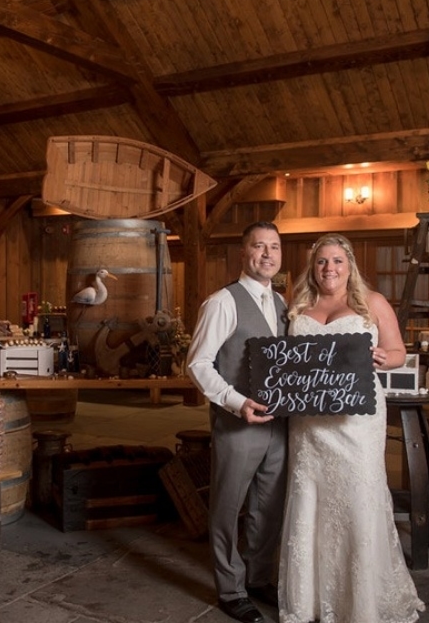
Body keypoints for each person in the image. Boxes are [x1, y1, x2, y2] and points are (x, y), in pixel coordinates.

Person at [278, 233, 425, 623]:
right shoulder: (300, 304)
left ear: (350, 265)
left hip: (356, 421)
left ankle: (361, 602)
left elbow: (399, 351)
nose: (329, 268)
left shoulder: (371, 302)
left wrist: (385, 358)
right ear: (313, 267)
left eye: (337, 261)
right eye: (322, 261)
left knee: (357, 497)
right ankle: (309, 599)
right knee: (311, 498)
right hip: (309, 422)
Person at [186, 221, 289, 623]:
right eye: (259, 246)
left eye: (274, 247)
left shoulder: (281, 303)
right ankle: (231, 590)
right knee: (228, 507)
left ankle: (259, 577)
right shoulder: (222, 302)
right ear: (243, 253)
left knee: (269, 506)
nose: (267, 254)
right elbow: (198, 364)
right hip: (238, 424)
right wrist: (236, 402)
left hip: (279, 425)